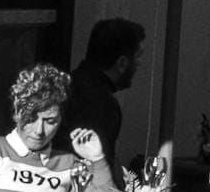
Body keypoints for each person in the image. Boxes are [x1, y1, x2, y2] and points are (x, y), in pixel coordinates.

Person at [57, 17, 145, 174]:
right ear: (122, 63)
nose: (139, 63)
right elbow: (99, 166)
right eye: (138, 57)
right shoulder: (103, 104)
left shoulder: (63, 85)